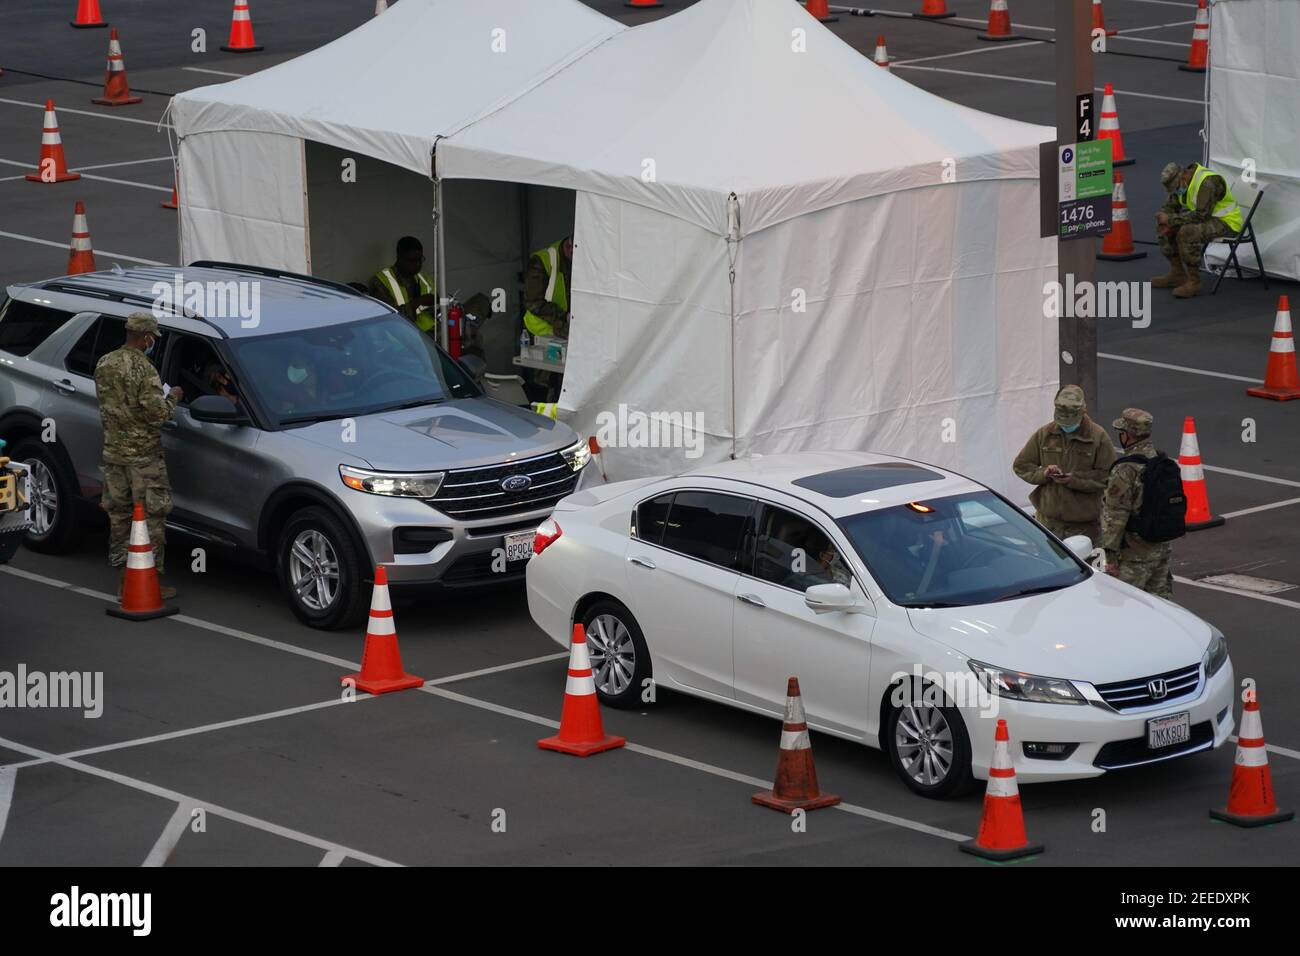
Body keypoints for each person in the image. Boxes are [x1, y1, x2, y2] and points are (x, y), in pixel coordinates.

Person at [94, 312, 182, 598]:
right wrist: (174, 397)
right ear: (145, 337)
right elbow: (157, 415)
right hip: (144, 459)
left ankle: (123, 580)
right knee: (151, 518)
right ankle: (148, 580)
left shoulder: (104, 363)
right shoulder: (145, 370)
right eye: (152, 337)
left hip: (113, 454)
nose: (153, 341)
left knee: (119, 517)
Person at [1013, 384, 1115, 545]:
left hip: (1083, 526)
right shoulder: (1045, 434)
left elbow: (1108, 476)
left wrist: (1073, 480)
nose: (1066, 425)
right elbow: (1022, 465)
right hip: (1047, 521)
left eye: (1070, 421)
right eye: (1062, 421)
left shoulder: (1098, 437)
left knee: (1084, 567)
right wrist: (1044, 473)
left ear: (1083, 411)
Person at [1101, 408, 1173, 598]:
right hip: (1161, 550)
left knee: (1127, 609)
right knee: (1162, 610)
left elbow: (1115, 516)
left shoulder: (1125, 469)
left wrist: (1110, 558)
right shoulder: (1161, 460)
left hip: (1134, 556)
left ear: (1127, 435)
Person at [1154, 161, 1243, 299]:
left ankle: (1194, 282)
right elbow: (1170, 206)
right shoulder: (1182, 184)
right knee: (1165, 227)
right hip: (1208, 220)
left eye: (1175, 187)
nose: (1176, 191)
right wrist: (1163, 217)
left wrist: (1170, 220)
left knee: (1187, 232)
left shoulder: (1208, 182)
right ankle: (1177, 273)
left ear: (1183, 177)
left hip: (1227, 222)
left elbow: (1201, 215)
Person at [369, 236, 438, 335]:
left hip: (429, 336)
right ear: (399, 258)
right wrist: (416, 303)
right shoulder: (380, 282)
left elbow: (438, 309)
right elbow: (388, 319)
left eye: (420, 259)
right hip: (401, 342)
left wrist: (436, 302)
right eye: (412, 261)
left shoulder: (423, 277)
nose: (418, 264)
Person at [522, 236, 572, 339]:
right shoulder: (542, 261)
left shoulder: (572, 260)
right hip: (541, 329)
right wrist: (564, 317)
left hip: (563, 326)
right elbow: (532, 303)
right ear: (569, 247)